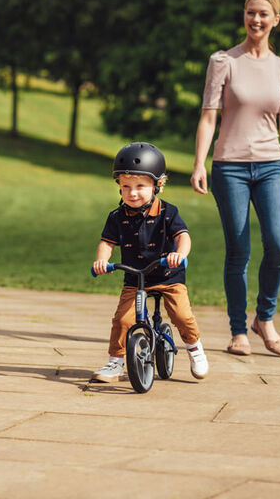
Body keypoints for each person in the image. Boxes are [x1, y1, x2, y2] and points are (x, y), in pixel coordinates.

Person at [190, 0, 280, 357]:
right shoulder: (224, 62)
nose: (256, 19)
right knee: (238, 250)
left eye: (263, 14)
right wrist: (199, 162)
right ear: (244, 16)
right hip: (230, 168)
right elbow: (209, 117)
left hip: (271, 168)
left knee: (279, 244)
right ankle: (238, 330)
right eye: (250, 12)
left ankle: (265, 317)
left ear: (276, 20)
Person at [92, 142, 209, 382]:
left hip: (168, 276)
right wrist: (102, 261)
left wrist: (180, 255)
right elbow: (107, 243)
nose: (132, 193)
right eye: (126, 187)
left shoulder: (168, 212)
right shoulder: (116, 217)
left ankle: (195, 348)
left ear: (157, 185)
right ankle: (116, 361)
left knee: (180, 315)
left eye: (140, 186)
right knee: (123, 320)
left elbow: (183, 237)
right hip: (135, 277)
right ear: (119, 187)